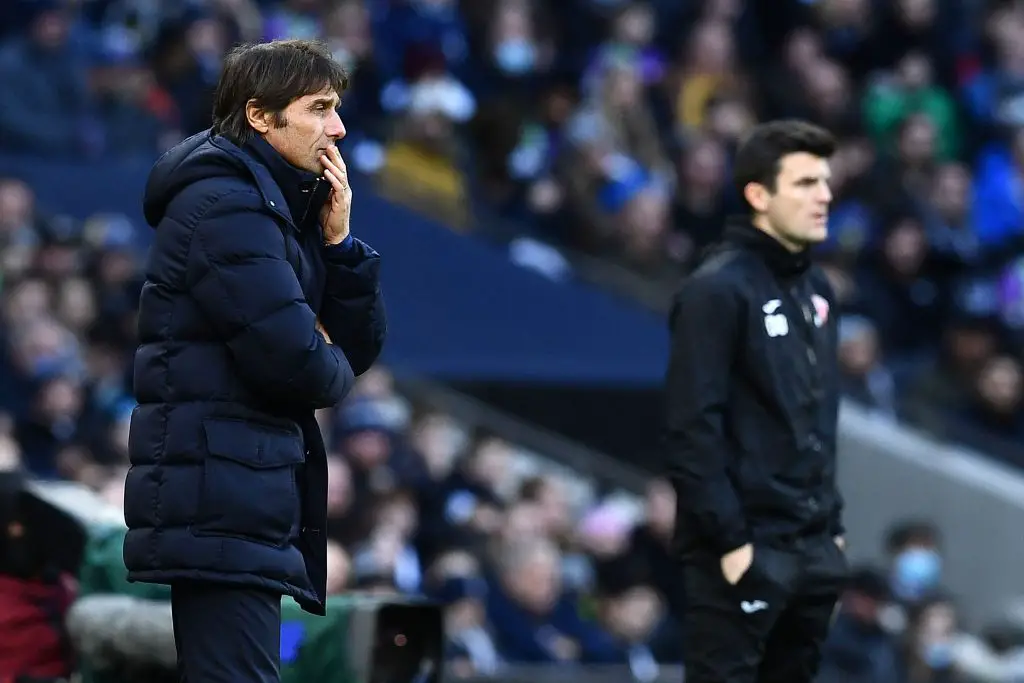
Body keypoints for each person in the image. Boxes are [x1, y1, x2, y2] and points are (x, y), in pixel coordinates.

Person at [122, 39, 387, 683]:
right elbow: (304, 366)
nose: (339, 128)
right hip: (220, 498)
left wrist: (340, 245)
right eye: (319, 108)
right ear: (261, 117)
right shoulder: (225, 206)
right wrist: (325, 350)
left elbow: (359, 346)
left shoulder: (280, 206)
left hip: (242, 496)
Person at [664, 119, 848, 683]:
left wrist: (831, 528)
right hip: (746, 550)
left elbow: (816, 418)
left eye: (825, 181)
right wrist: (732, 541)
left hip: (812, 547)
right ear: (758, 195)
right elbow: (691, 426)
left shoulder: (817, 290)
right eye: (805, 183)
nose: (825, 195)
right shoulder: (717, 289)